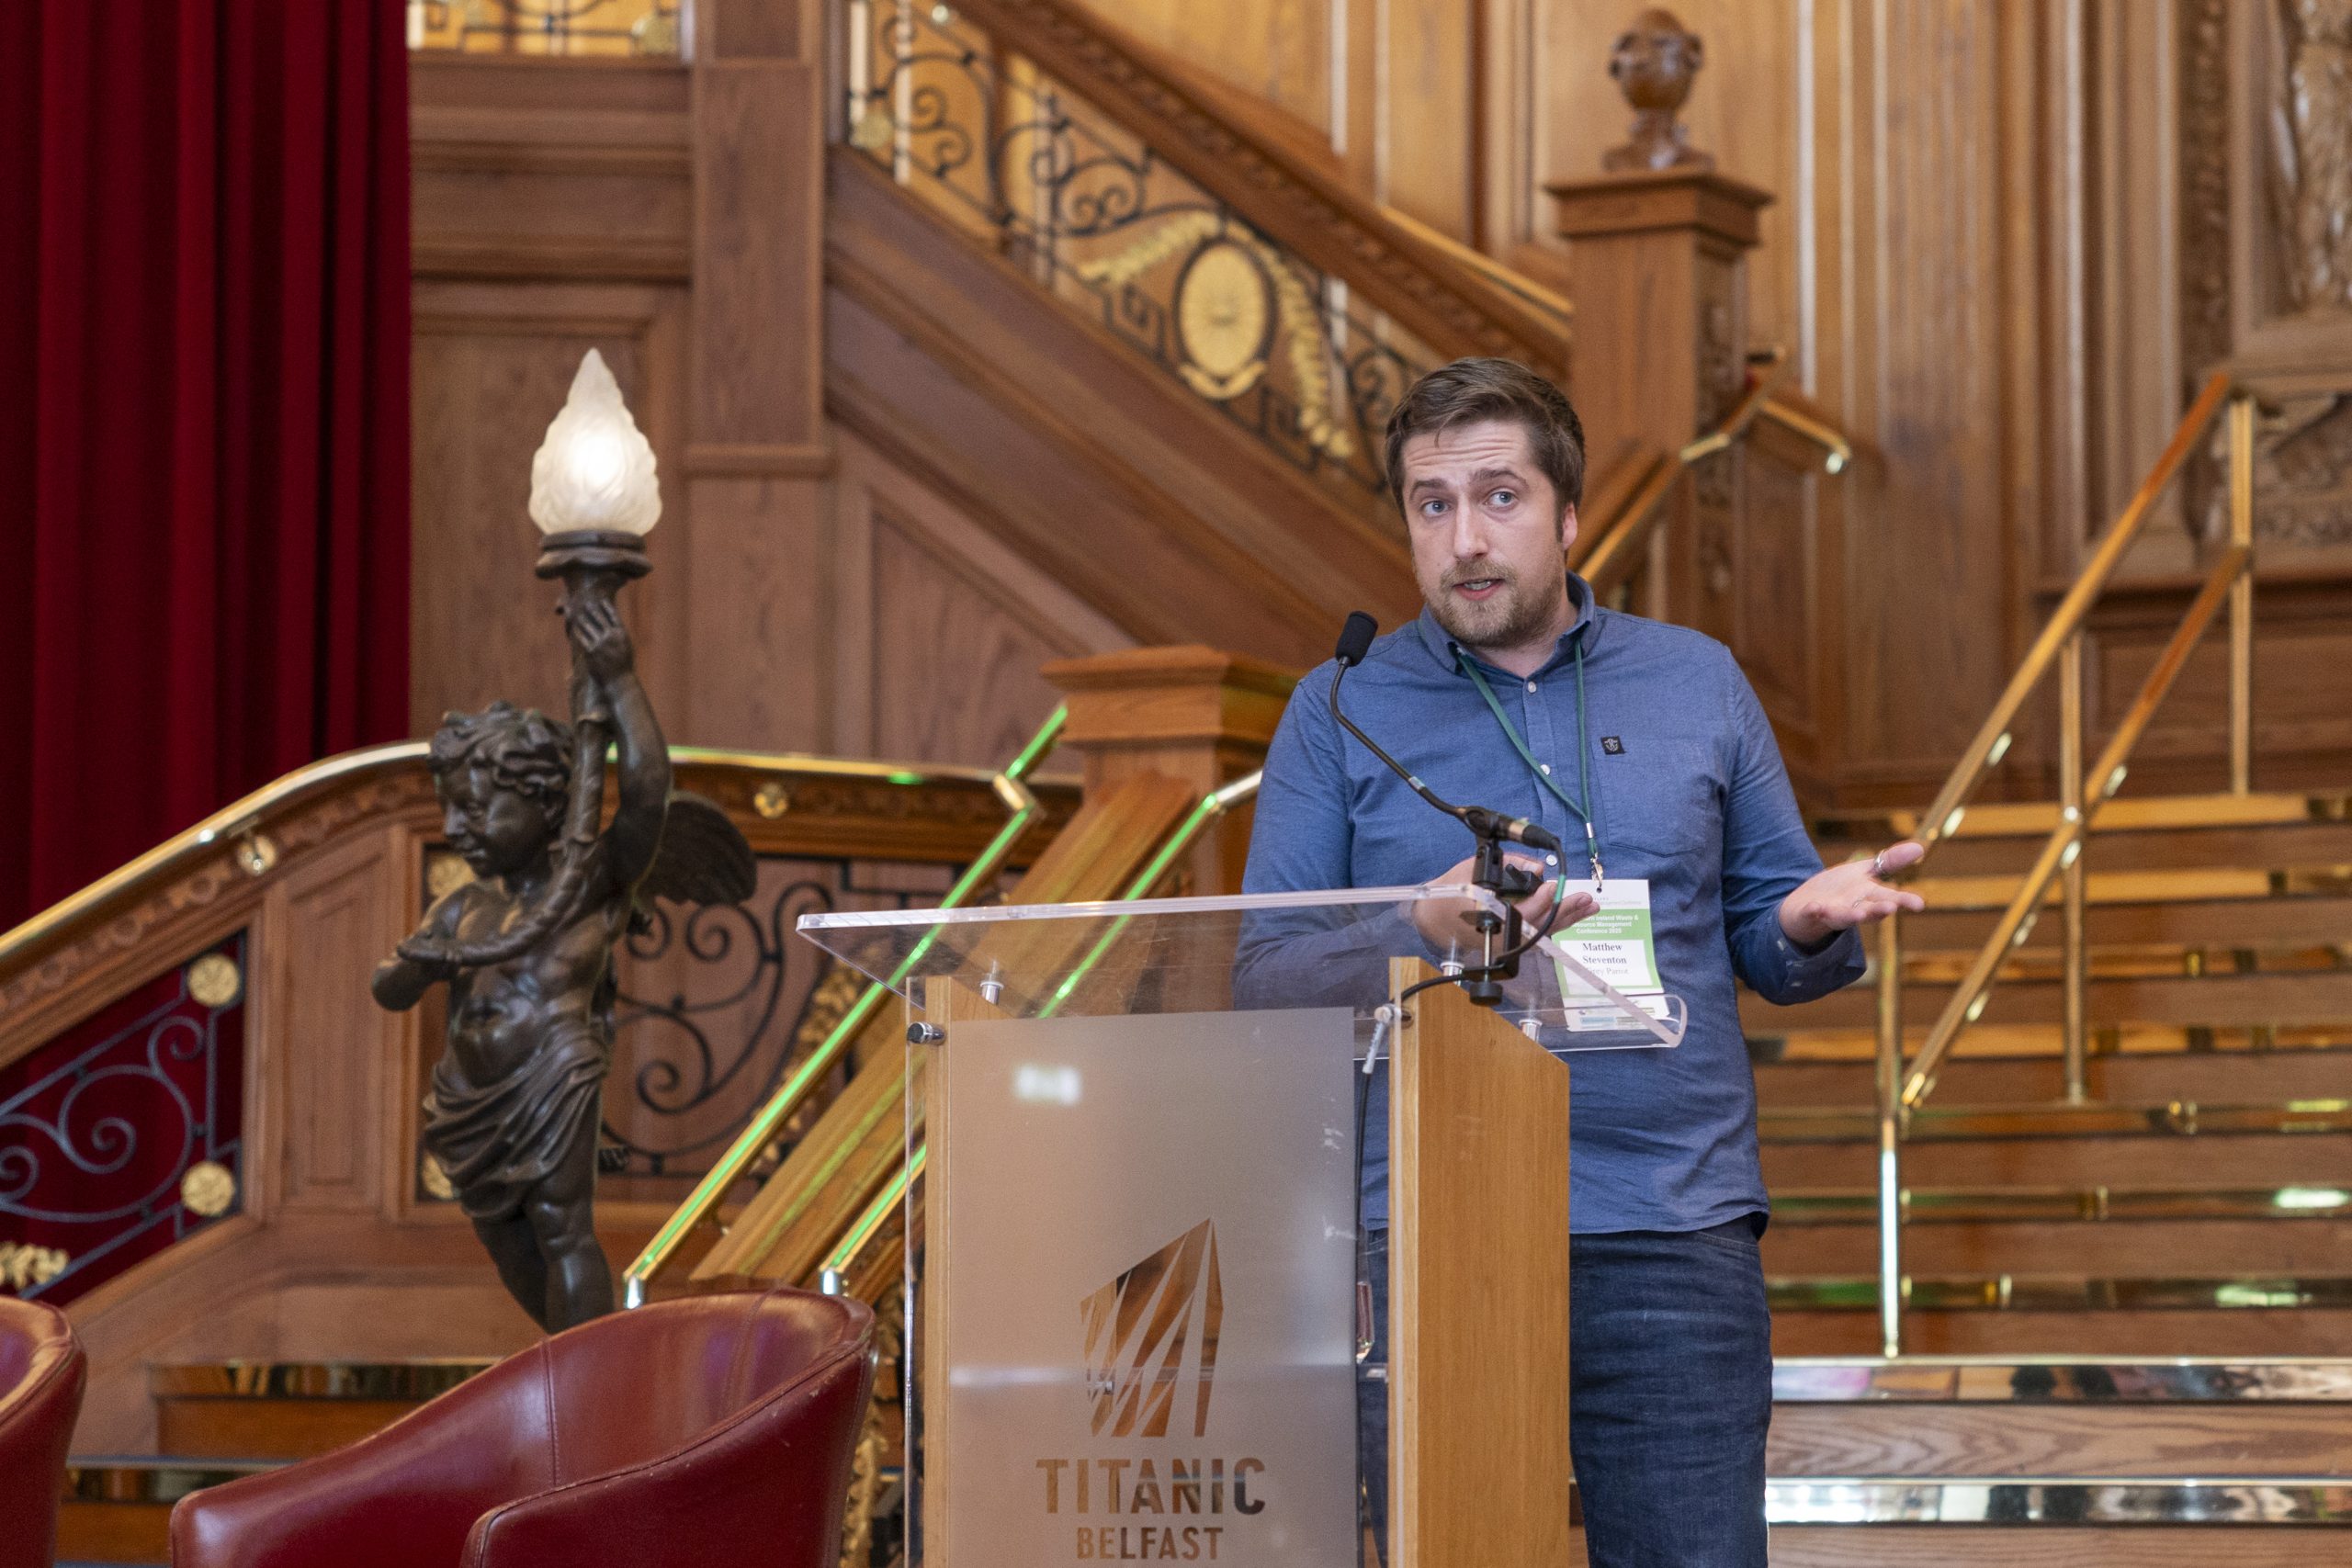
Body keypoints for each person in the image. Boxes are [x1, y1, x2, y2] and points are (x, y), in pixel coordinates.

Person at [1238, 357, 1924, 1566]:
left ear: (1568, 515)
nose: (1465, 538)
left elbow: (1766, 941)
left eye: (1499, 497)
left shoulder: (1697, 680)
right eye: (1433, 504)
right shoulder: (1339, 706)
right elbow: (1267, 978)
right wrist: (1414, 930)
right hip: (1426, 1231)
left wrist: (1808, 923)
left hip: (1669, 1220)